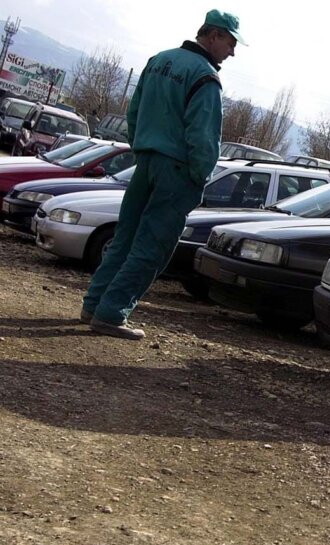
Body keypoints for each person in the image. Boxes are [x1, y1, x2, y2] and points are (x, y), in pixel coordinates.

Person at [80, 9, 246, 340]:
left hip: (146, 164)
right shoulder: (206, 79)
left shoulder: (158, 61)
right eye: (230, 42)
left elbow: (134, 111)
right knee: (151, 246)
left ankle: (94, 305)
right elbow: (203, 137)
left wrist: (143, 149)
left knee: (124, 239)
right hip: (177, 171)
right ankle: (112, 313)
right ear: (213, 36)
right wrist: (200, 176)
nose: (233, 51)